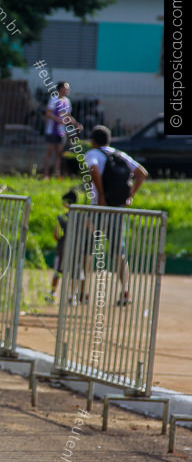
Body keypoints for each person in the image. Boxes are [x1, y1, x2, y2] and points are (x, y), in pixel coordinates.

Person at [85, 125, 148, 306]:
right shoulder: (119, 154)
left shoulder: (93, 154)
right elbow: (141, 173)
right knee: (118, 252)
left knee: (88, 249)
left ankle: (83, 292)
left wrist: (102, 196)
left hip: (100, 209)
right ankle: (126, 292)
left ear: (93, 141)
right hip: (118, 209)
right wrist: (129, 196)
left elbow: (93, 170)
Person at [41, 82, 82, 180]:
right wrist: (59, 120)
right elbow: (48, 114)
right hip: (51, 131)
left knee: (59, 153)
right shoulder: (54, 99)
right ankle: (46, 174)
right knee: (50, 152)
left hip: (61, 131)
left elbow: (68, 116)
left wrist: (76, 124)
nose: (67, 90)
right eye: (65, 88)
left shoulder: (67, 101)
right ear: (60, 89)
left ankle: (56, 173)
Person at [47, 189, 78, 304]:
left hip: (62, 248)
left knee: (58, 271)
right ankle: (72, 296)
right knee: (75, 272)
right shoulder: (80, 217)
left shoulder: (61, 218)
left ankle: (52, 294)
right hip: (76, 249)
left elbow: (56, 234)